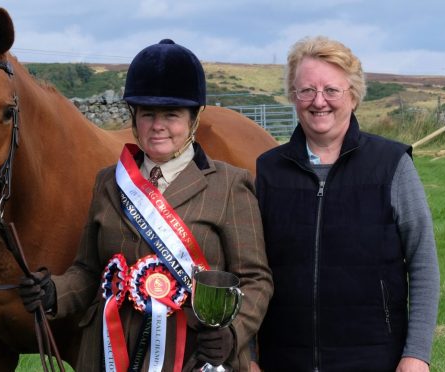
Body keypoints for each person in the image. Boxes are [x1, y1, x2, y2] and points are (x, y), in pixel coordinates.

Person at [20, 39, 273, 372]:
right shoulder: (109, 182)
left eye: (172, 114)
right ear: (133, 116)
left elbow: (256, 279)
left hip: (196, 355)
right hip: (110, 352)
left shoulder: (229, 185)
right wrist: (54, 291)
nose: (158, 126)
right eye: (147, 114)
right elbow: (88, 271)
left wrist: (233, 331)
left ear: (193, 118)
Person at [256, 36, 440, 372]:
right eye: (306, 90)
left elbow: (423, 262)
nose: (318, 101)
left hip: (374, 358)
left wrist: (416, 354)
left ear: (353, 95)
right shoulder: (267, 171)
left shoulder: (392, 164)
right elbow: (250, 271)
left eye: (331, 90)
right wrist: (250, 357)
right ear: (293, 96)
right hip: (282, 359)